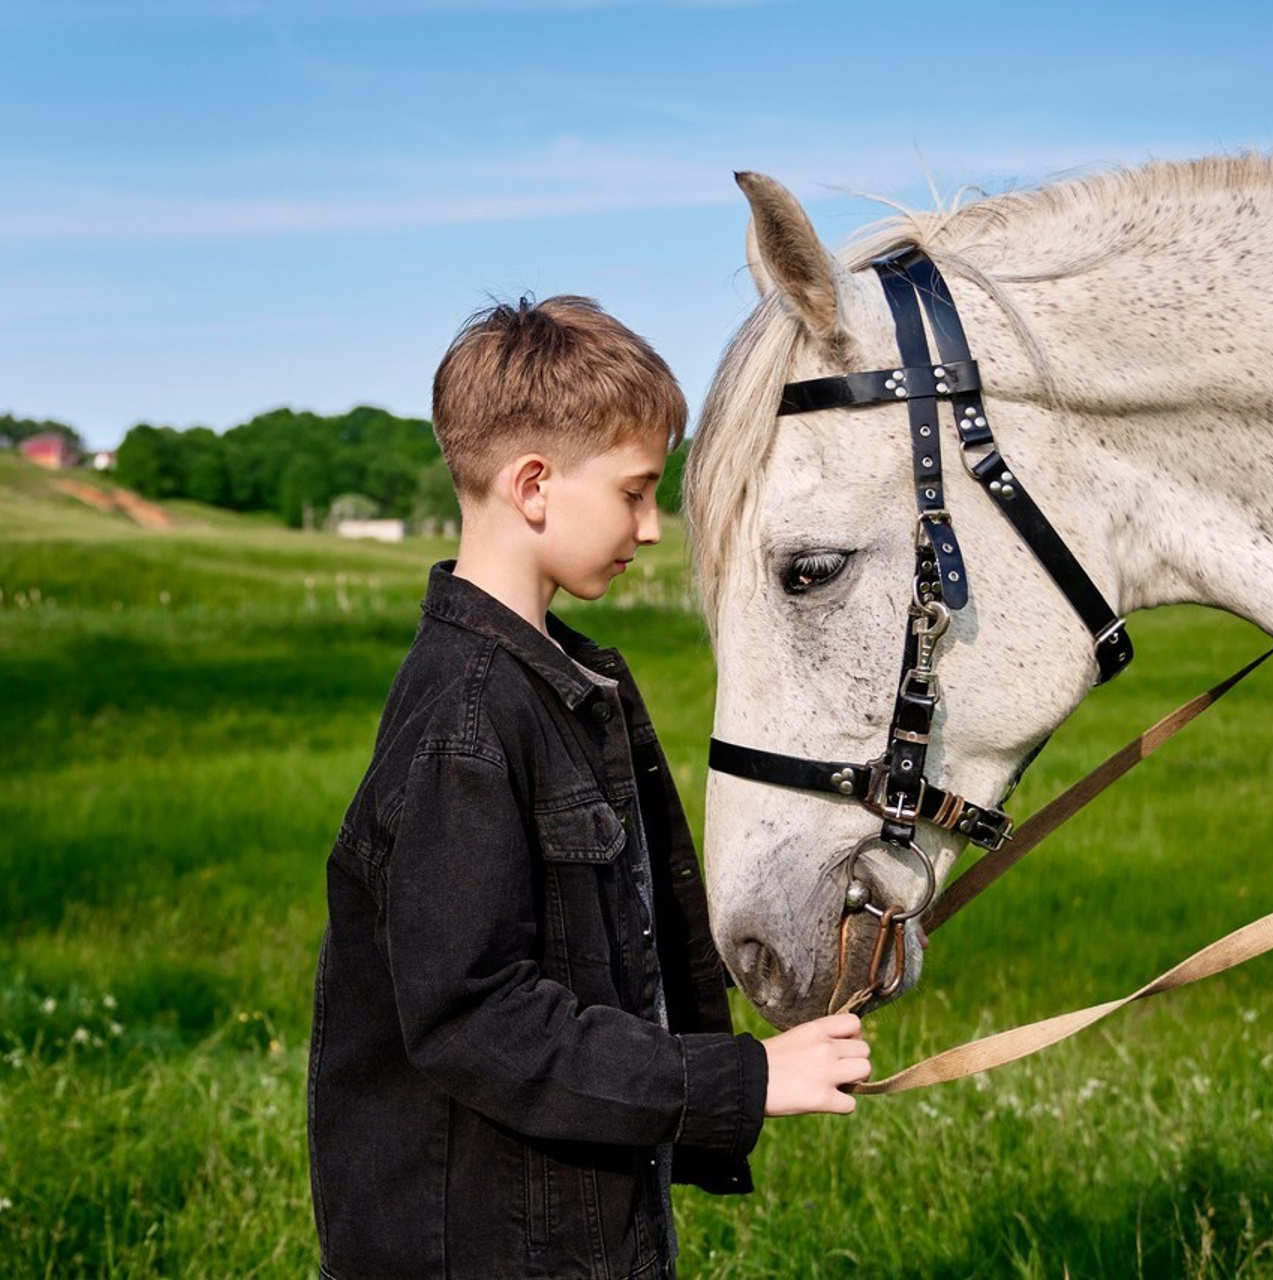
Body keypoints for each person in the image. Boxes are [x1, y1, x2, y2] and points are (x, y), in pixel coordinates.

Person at [307, 295, 872, 1279]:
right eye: (634, 491)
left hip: (564, 1228)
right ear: (532, 486)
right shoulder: (470, 719)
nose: (652, 529)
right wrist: (740, 1078)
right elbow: (474, 1017)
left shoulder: (554, 685)